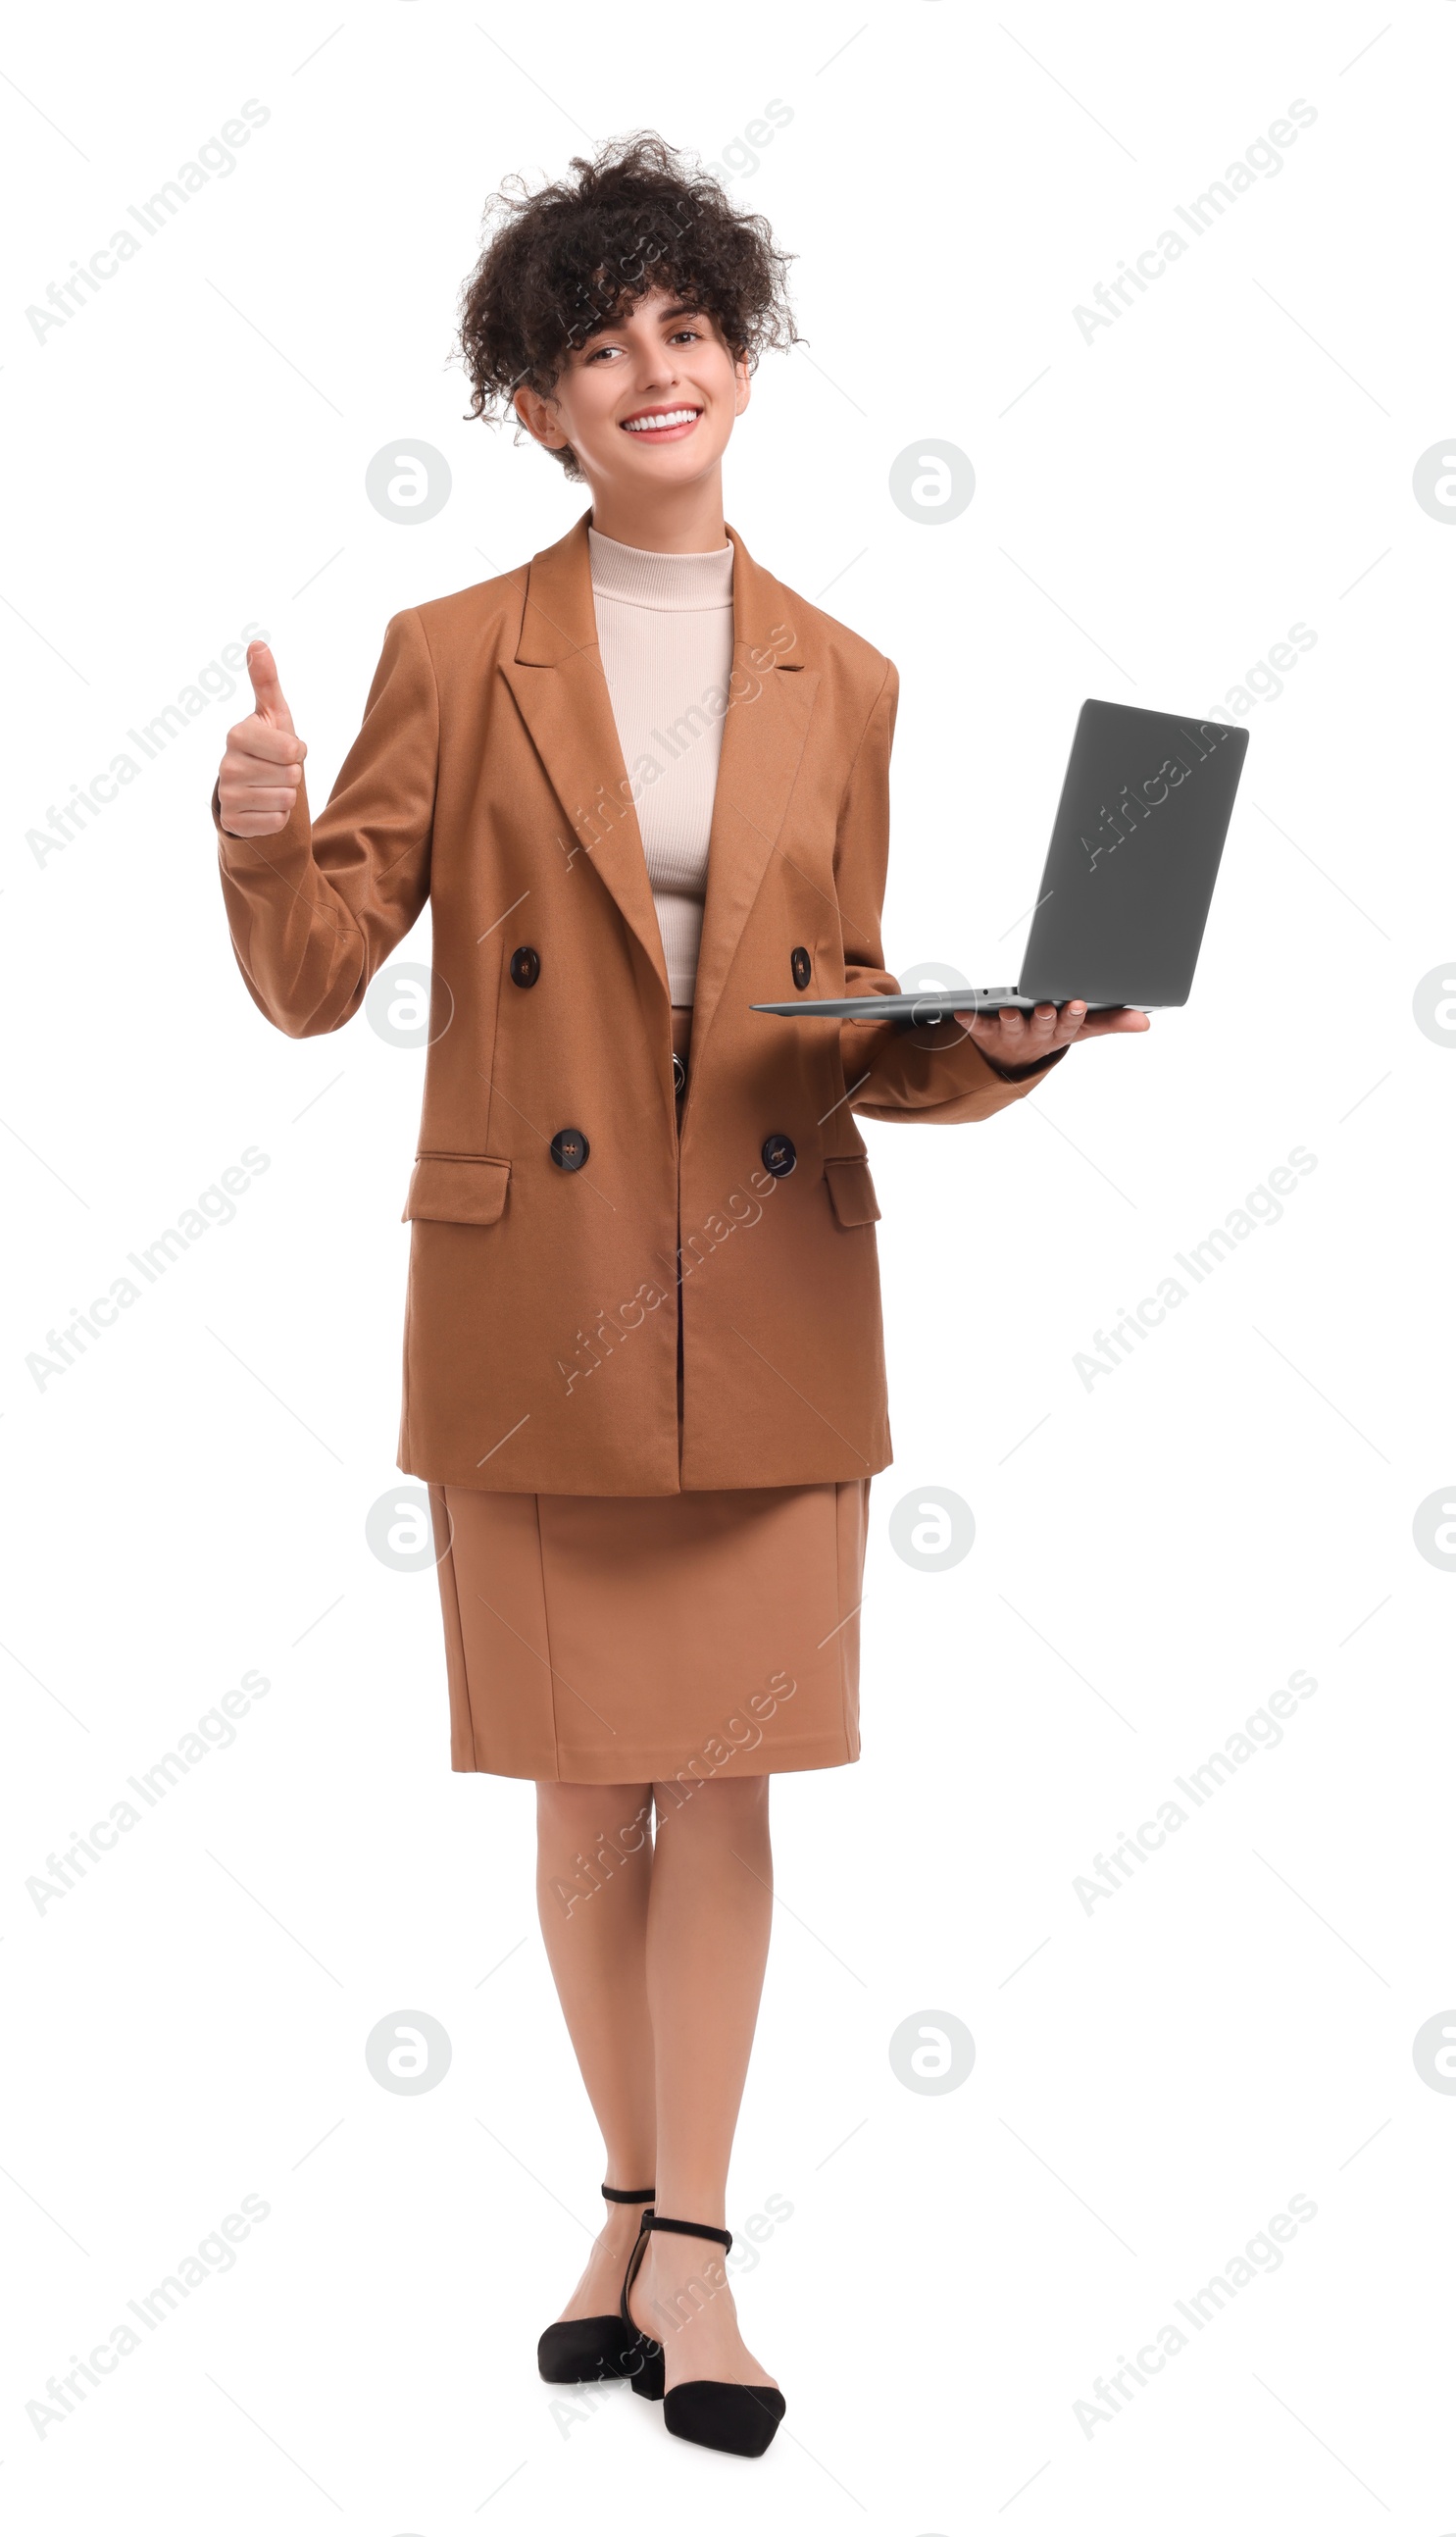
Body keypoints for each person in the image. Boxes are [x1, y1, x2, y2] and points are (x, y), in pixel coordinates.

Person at [212, 132, 1143, 2459]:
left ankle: (693, 2249)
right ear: (533, 402)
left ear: (739, 360)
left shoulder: (850, 673)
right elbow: (320, 980)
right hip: (528, 1301)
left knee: (718, 1791)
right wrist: (258, 827)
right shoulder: (448, 653)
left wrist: (994, 1041)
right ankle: (619, 2198)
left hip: (764, 1291)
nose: (651, 369)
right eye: (595, 343)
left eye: (682, 329)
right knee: (579, 1790)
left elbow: (826, 1025)